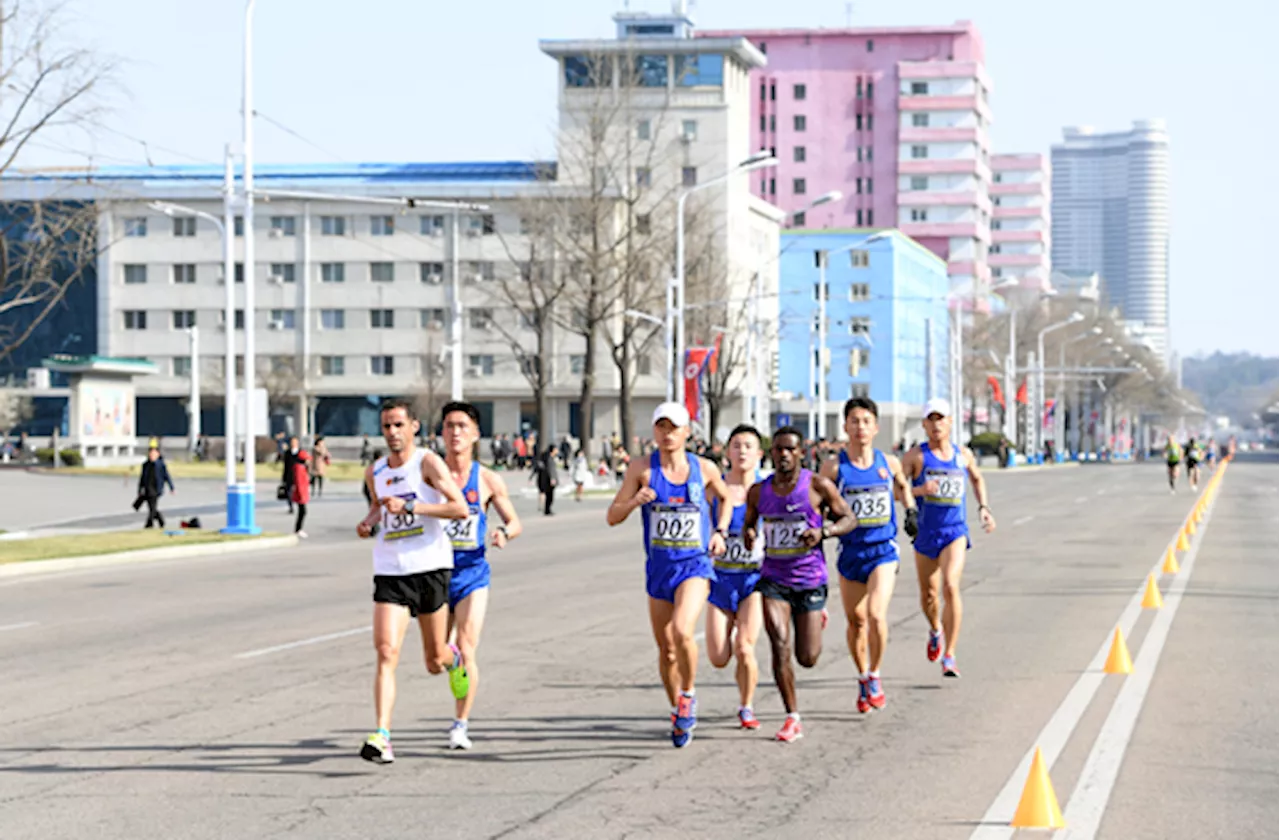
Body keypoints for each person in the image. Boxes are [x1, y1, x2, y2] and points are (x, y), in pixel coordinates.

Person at [607, 402, 733, 748]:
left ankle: (689, 695)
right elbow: (612, 516)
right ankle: (677, 707)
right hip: (659, 568)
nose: (667, 434)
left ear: (687, 431)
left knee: (682, 630)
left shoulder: (703, 469)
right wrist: (635, 502)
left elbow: (727, 499)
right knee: (666, 650)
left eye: (673, 427)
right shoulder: (642, 470)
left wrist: (720, 531)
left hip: (694, 565)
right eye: (661, 427)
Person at [354, 398, 471, 765]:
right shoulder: (375, 470)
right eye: (386, 426)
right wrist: (368, 522)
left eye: (398, 425)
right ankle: (382, 735)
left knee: (433, 660)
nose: (392, 433)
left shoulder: (428, 463)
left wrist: (412, 507)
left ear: (413, 427)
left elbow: (459, 508)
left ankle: (454, 659)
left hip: (430, 568)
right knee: (386, 651)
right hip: (391, 570)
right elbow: (377, 506)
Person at [744, 426, 856, 743]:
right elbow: (749, 522)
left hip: (809, 579)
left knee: (807, 658)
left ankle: (815, 618)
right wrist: (749, 533)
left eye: (789, 449)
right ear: (771, 453)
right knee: (779, 643)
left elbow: (850, 519)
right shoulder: (759, 491)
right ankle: (792, 717)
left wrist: (824, 533)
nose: (783, 454)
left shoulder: (817, 486)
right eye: (778, 449)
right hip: (773, 579)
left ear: (800, 453)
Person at [822, 398, 917, 713]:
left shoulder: (887, 462)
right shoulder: (835, 467)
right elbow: (819, 502)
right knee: (856, 621)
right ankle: (862, 674)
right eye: (854, 421)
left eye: (866, 421)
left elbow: (903, 485)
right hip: (851, 552)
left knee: (876, 613)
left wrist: (911, 510)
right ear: (845, 427)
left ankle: (875, 674)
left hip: (883, 550)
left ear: (875, 427)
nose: (860, 426)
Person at [438, 401, 522, 750]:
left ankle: (460, 724)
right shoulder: (431, 474)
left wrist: (504, 532)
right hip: (435, 576)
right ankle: (453, 660)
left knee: (468, 645)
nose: (455, 432)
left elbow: (516, 522)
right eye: (449, 426)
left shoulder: (487, 479)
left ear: (474, 434)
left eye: (462, 426)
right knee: (438, 656)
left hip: (473, 574)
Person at [902, 398, 996, 680]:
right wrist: (920, 491)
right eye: (930, 420)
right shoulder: (915, 457)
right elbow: (896, 491)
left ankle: (950, 654)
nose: (936, 425)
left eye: (941, 419)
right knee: (929, 595)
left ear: (951, 422)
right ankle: (935, 630)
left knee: (951, 587)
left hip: (955, 531)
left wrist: (984, 508)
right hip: (925, 532)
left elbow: (977, 479)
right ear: (924, 425)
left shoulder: (962, 455)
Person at [706, 424, 768, 730]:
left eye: (748, 446)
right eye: (736, 445)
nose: (742, 451)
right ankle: (731, 632)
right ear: (726, 452)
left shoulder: (767, 490)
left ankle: (746, 706)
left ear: (758, 454)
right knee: (718, 657)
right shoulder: (713, 489)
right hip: (719, 579)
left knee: (745, 647)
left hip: (753, 580)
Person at [135, 446, 175, 528]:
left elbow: (166, 476)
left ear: (157, 454)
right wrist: (139, 490)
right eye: (150, 454)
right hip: (147, 489)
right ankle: (161, 521)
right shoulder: (145, 465)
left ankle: (149, 524)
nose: (151, 455)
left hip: (156, 489)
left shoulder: (161, 465)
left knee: (152, 508)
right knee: (152, 508)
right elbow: (142, 478)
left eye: (153, 454)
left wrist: (172, 488)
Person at [290, 447, 311, 537]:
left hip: (302, 492)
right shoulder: (299, 468)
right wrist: (301, 494)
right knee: (303, 512)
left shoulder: (302, 468)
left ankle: (298, 529)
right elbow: (299, 482)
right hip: (300, 493)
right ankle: (298, 529)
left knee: (303, 512)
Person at [532, 446, 559, 516]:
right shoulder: (549, 459)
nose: (557, 451)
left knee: (548, 495)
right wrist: (552, 478)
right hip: (549, 479)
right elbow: (550, 469)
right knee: (549, 496)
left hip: (548, 479)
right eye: (556, 449)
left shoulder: (550, 458)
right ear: (552, 450)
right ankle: (547, 509)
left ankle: (546, 509)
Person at [281, 436, 300, 514]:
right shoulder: (287, 453)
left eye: (295, 442)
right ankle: (291, 506)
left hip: (298, 475)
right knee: (289, 492)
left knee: (298, 492)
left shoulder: (301, 452)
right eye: (292, 442)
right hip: (289, 474)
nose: (293, 444)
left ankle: (299, 505)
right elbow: (285, 465)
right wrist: (284, 477)